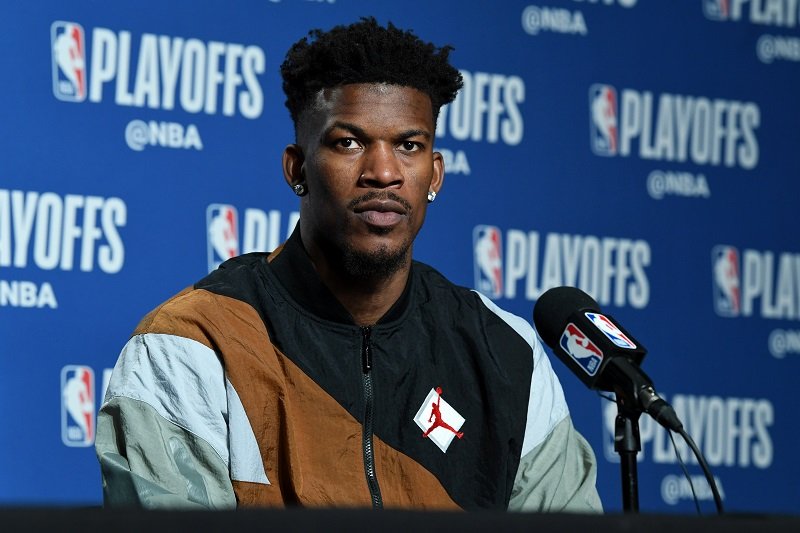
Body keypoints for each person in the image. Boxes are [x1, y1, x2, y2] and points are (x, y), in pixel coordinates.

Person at [95, 17, 602, 512]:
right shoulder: (193, 342)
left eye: (409, 146)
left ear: (435, 174)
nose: (383, 173)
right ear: (298, 169)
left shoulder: (504, 354)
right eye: (349, 143)